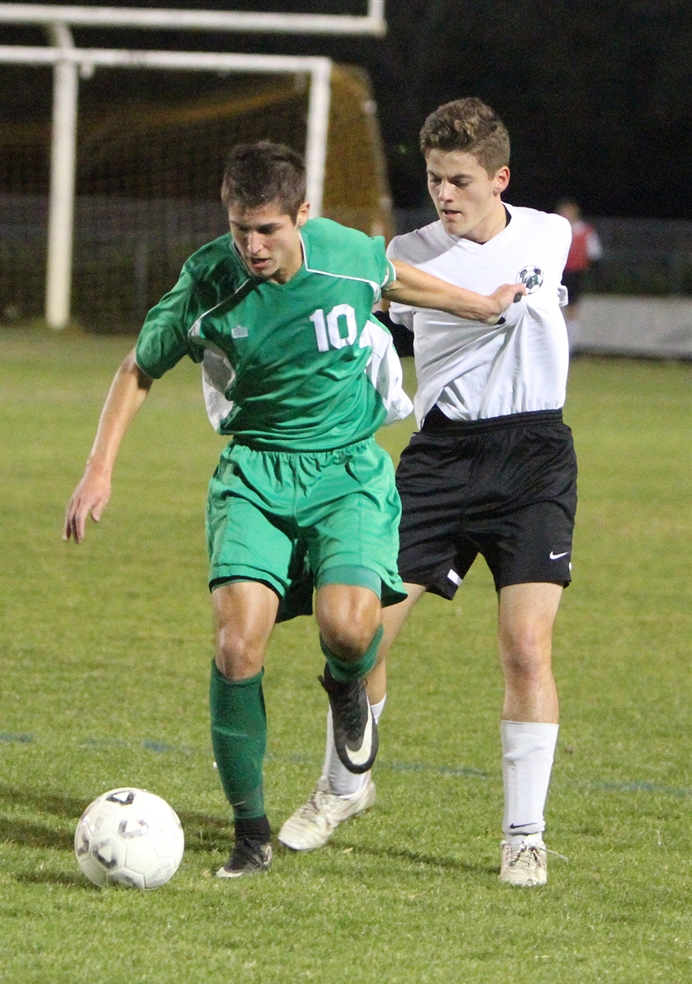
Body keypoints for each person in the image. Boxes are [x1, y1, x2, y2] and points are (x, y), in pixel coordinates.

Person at [63, 141, 523, 879]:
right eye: (241, 227)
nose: (252, 245)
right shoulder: (209, 279)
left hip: (346, 471)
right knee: (237, 645)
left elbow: (396, 278)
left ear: (302, 216)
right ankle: (251, 832)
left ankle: (348, 688)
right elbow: (137, 366)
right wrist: (98, 470)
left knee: (350, 627)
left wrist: (482, 304)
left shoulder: (343, 254)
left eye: (268, 229)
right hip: (254, 473)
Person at [279, 100, 577, 888]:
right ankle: (346, 786)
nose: (445, 194)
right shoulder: (402, 256)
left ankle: (524, 836)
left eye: (461, 181)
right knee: (361, 632)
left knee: (525, 646)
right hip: (439, 458)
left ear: (500, 178)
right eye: (436, 180)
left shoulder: (550, 234)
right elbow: (357, 320)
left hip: (534, 457)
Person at [555, 198, 603, 352]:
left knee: (572, 310)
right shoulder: (556, 228)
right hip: (557, 273)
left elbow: (594, 253)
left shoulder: (585, 231)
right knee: (553, 308)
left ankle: (570, 346)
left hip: (575, 273)